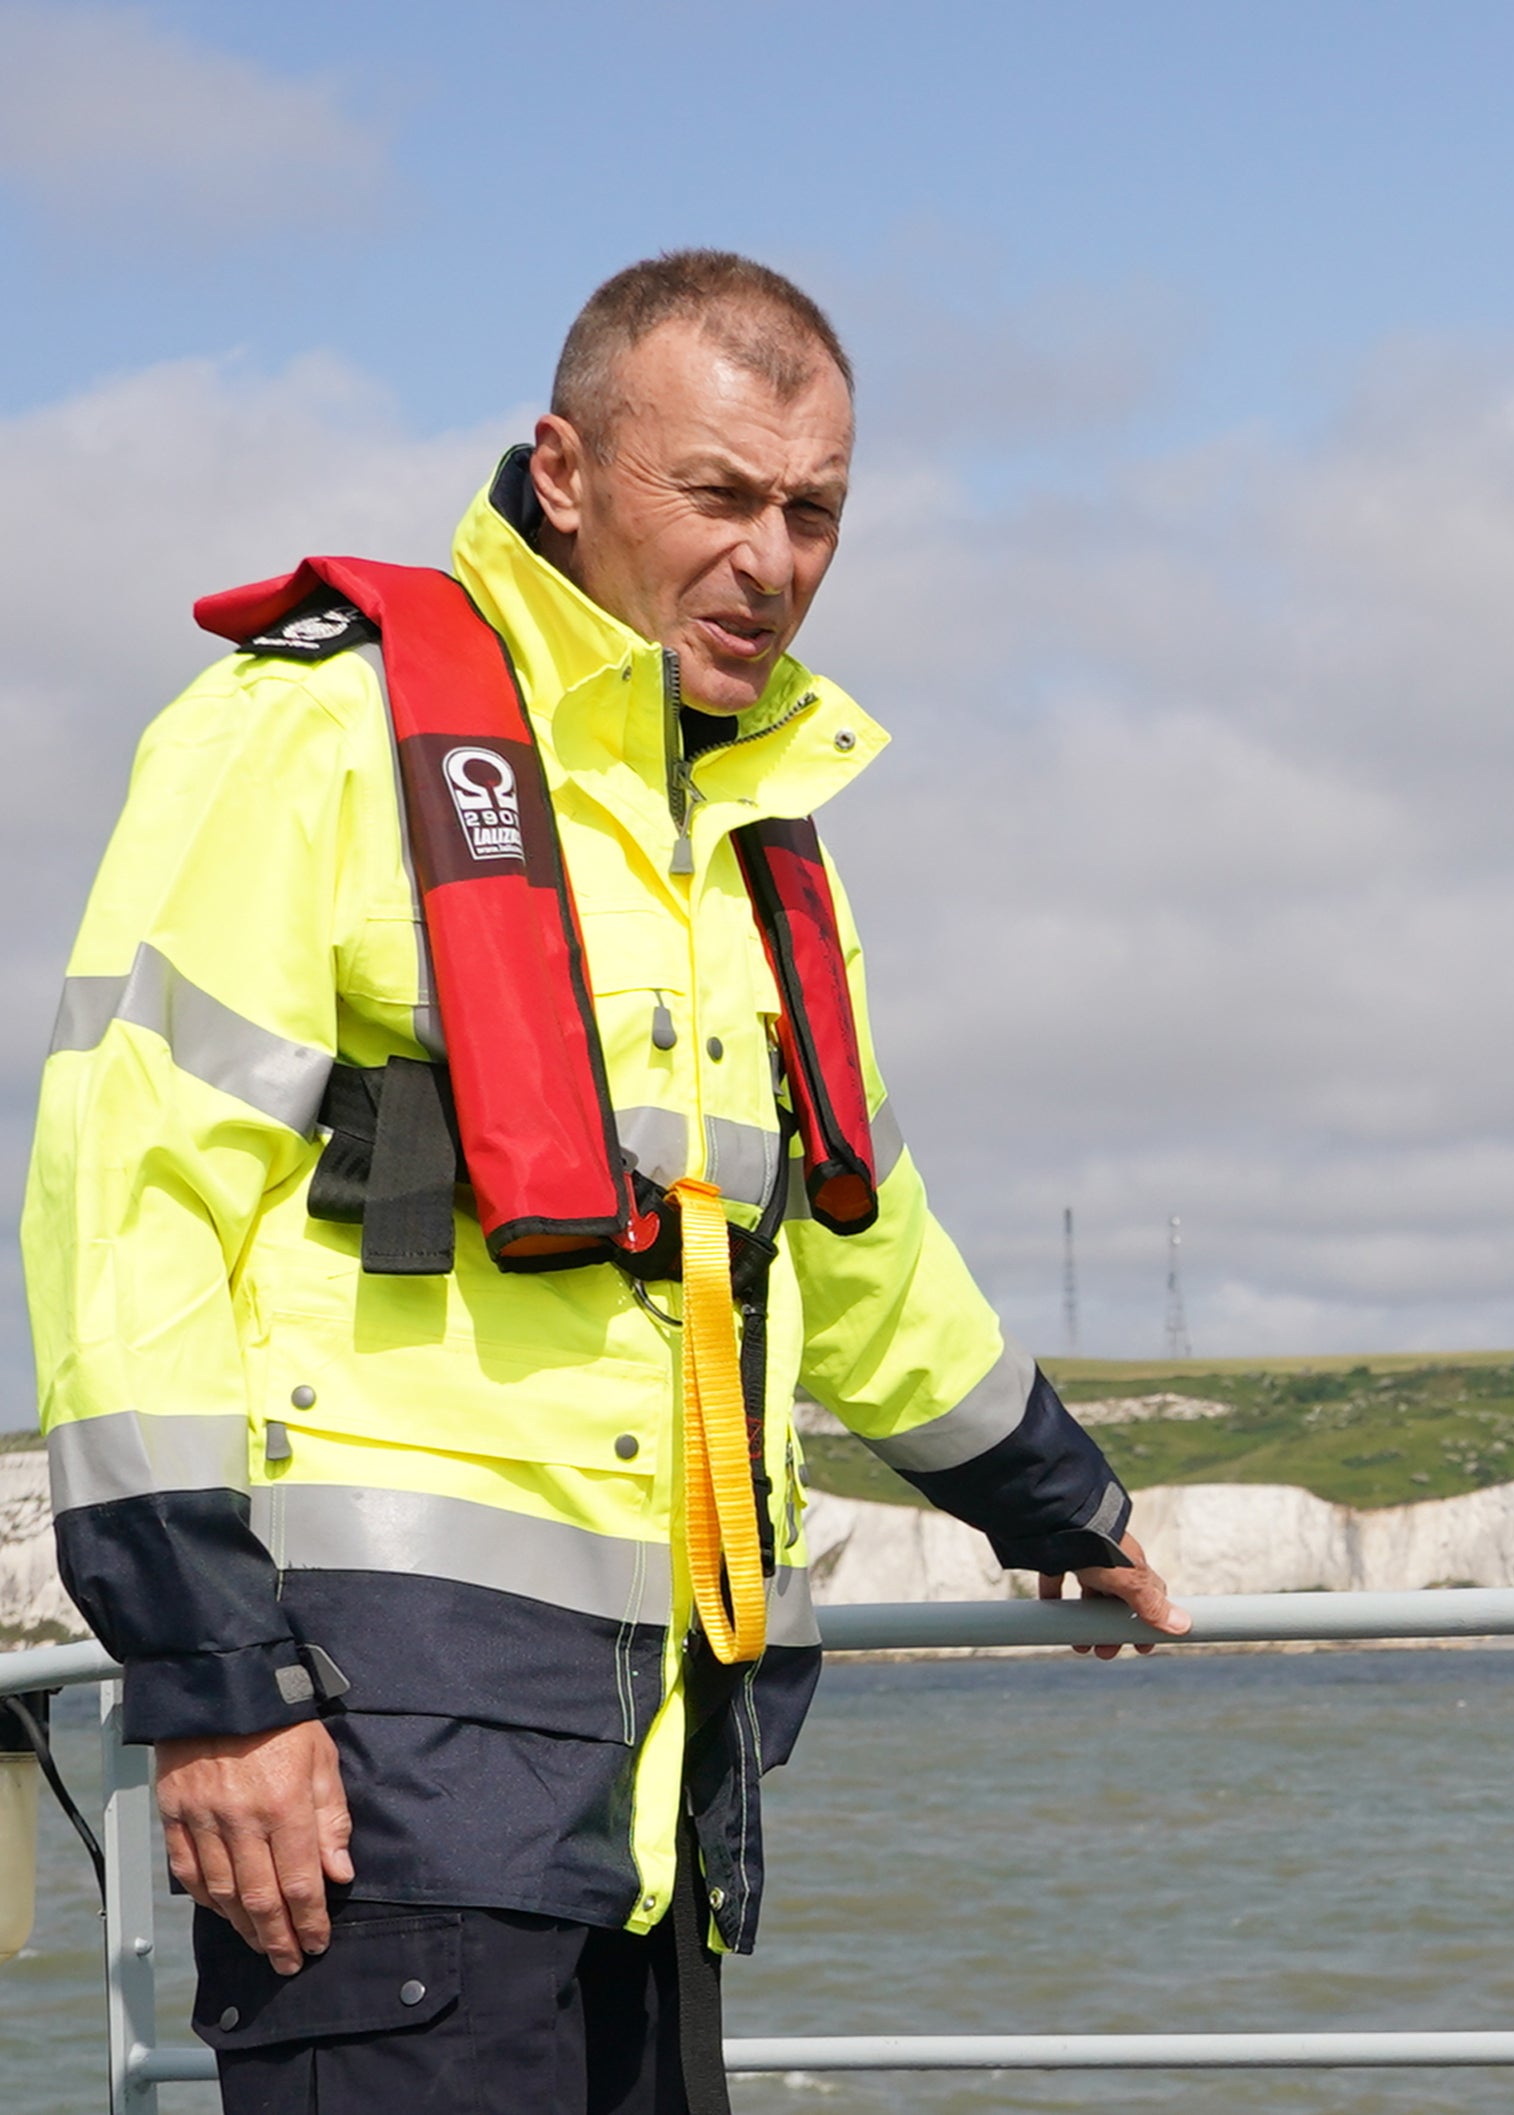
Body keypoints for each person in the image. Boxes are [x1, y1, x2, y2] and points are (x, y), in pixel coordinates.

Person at [29, 250, 1187, 2113]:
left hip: (645, 1762)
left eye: (813, 511)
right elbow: (127, 1204)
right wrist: (215, 1684)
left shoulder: (745, 824)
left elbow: (850, 1236)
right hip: (361, 1742)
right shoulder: (307, 732)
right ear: (561, 472)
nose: (775, 559)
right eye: (718, 496)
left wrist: (1056, 1499)